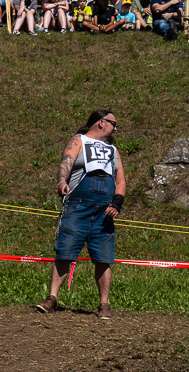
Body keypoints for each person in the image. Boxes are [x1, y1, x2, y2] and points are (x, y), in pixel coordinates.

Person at [35, 109, 125, 320]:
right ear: (101, 123)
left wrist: (117, 203)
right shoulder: (79, 140)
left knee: (103, 258)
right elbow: (66, 162)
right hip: (78, 205)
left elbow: (120, 181)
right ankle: (52, 298)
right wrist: (62, 181)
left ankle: (104, 304)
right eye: (113, 123)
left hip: (104, 210)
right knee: (65, 251)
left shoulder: (113, 150)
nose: (116, 128)